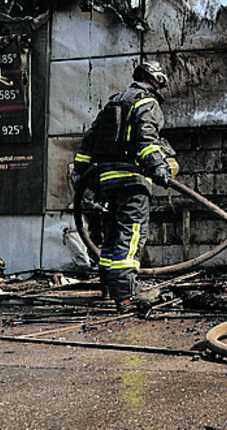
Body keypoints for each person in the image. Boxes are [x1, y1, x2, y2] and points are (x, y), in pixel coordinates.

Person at [73, 60, 177, 313]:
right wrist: (158, 167)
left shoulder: (113, 103)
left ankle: (108, 288)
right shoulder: (146, 103)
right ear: (156, 79)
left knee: (110, 236)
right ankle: (126, 294)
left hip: (106, 182)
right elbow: (147, 140)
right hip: (132, 179)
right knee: (130, 236)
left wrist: (81, 173)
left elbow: (88, 142)